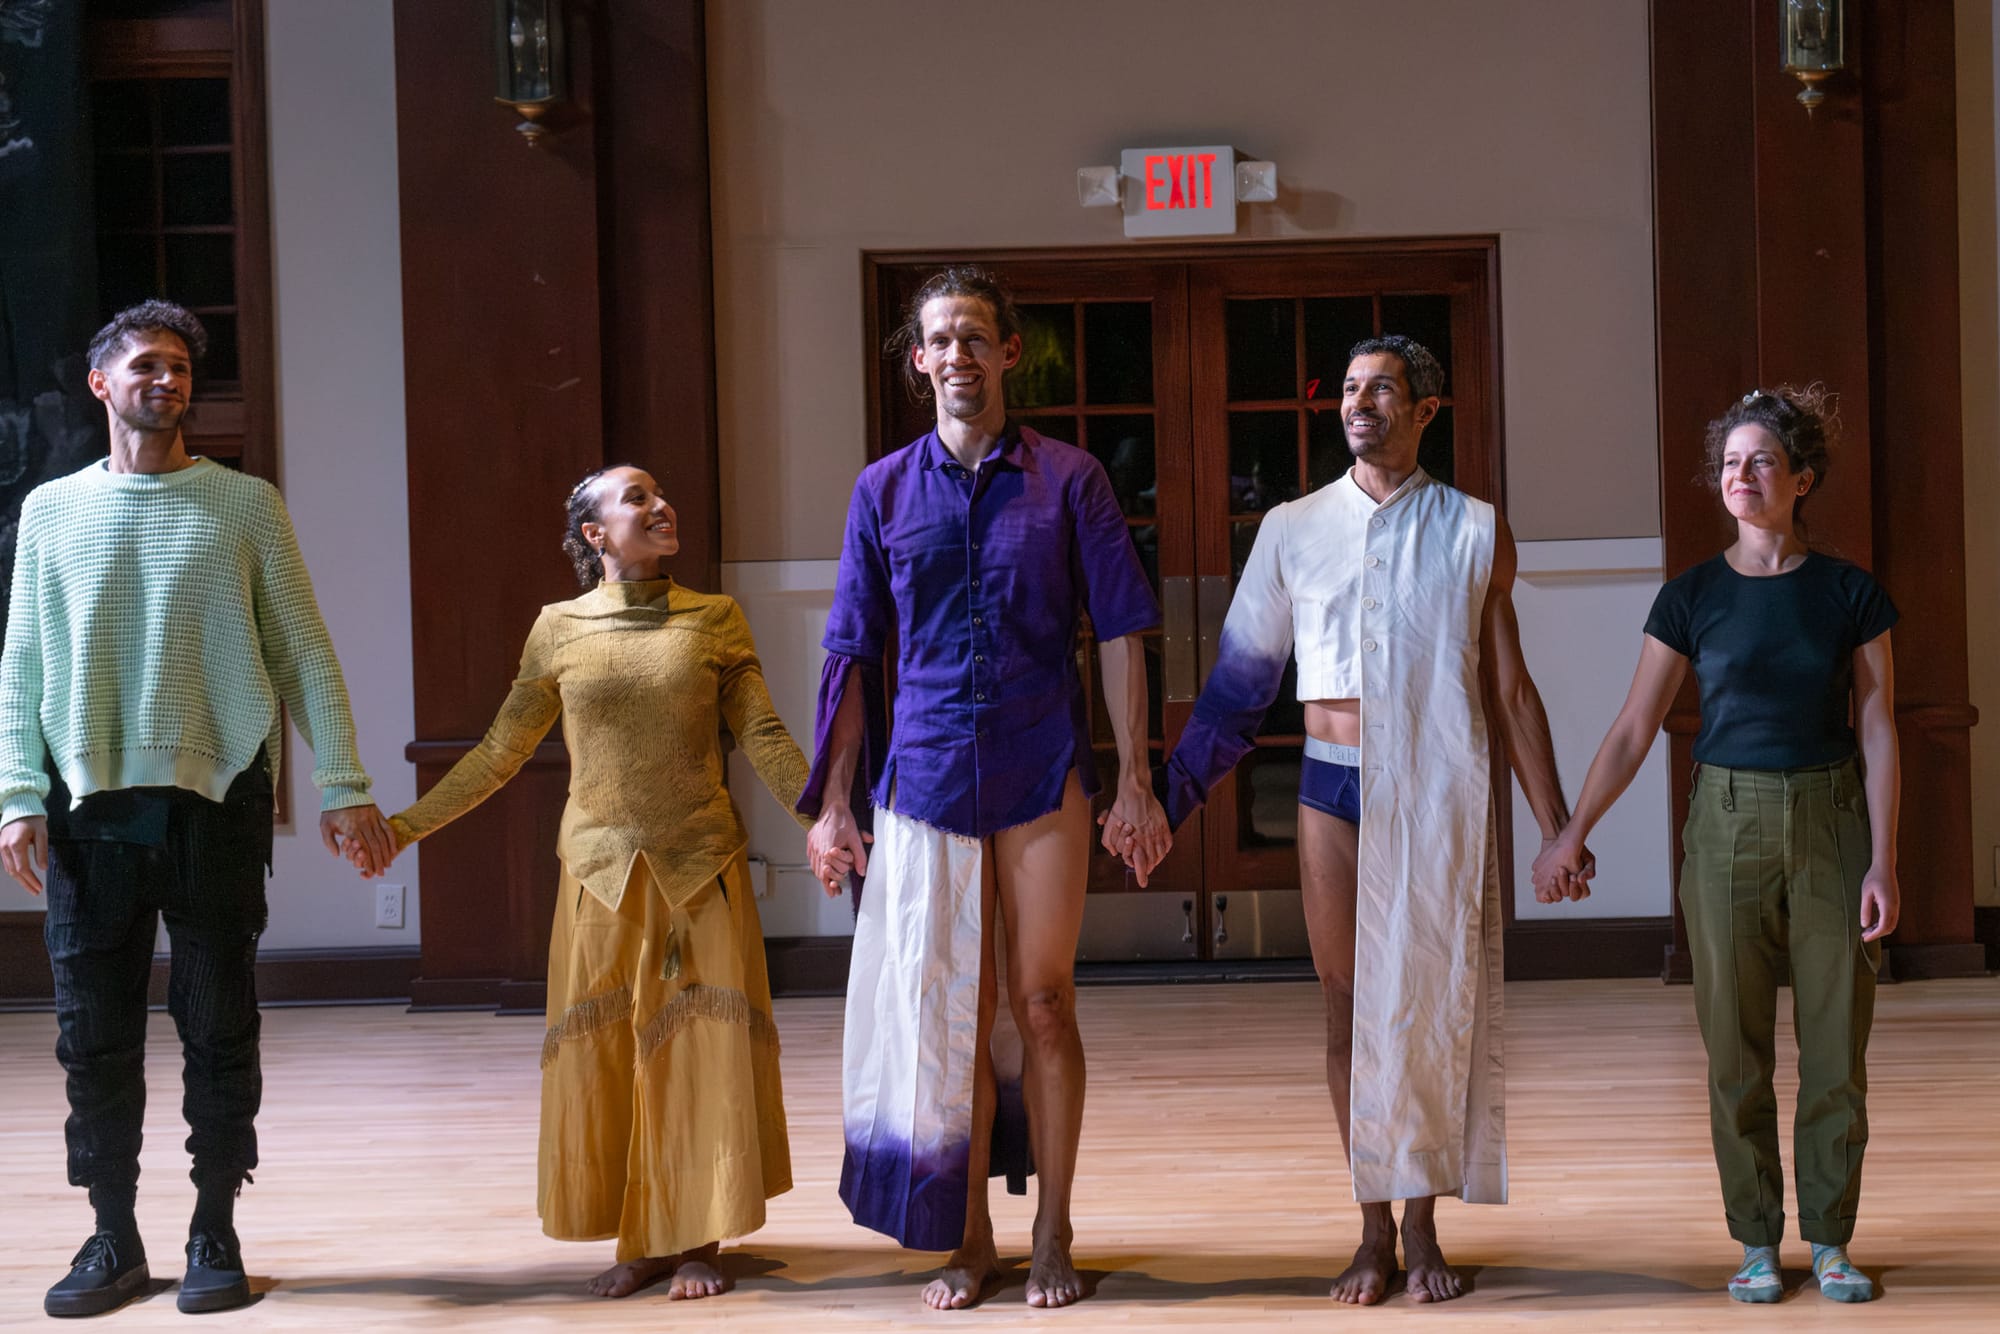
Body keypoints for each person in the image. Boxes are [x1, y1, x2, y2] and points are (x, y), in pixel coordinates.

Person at [1146, 335, 1586, 1305]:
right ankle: (1369, 1228)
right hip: (1330, 787)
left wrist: (1556, 824)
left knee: (1424, 1007)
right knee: (1344, 1004)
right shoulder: (1294, 526)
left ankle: (1422, 1219)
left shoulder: (1472, 527)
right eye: (1348, 389)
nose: (1358, 403)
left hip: (1434, 784)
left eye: (1380, 389)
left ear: (1426, 409)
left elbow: (1508, 689)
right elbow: (1238, 688)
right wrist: (1165, 805)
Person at [0, 301, 395, 1317]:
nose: (163, 379)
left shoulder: (246, 504)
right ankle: (112, 1236)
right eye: (144, 364)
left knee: (219, 1022)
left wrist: (345, 783)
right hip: (92, 809)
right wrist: (16, 793)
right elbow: (22, 665)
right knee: (94, 1034)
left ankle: (214, 1223)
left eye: (178, 365)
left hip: (217, 799)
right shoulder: (50, 511)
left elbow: (303, 649)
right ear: (102, 384)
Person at [803, 265, 1166, 1310]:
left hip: (1040, 760)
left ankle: (1054, 1228)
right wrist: (834, 802)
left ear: (1007, 353)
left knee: (1041, 1001)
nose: (956, 353)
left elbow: (1122, 630)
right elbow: (850, 654)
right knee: (949, 1014)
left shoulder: (1072, 479)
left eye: (974, 336)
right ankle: (970, 1237)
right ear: (916, 362)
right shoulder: (879, 490)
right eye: (937, 339)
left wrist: (1134, 776)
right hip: (919, 772)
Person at [368, 464, 814, 1301]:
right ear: (595, 535)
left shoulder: (715, 618)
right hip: (599, 875)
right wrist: (405, 829)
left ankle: (696, 1239)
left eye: (660, 492)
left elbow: (764, 736)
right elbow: (502, 752)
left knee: (699, 1055)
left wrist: (825, 822)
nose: (660, 504)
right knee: (611, 1057)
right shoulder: (557, 627)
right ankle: (639, 1238)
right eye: (636, 498)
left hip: (700, 868)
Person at [1535, 385, 1896, 1304]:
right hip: (1725, 824)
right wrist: (1572, 832)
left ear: (1800, 478)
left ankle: (1830, 1241)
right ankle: (1755, 1243)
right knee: (1733, 1050)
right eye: (1730, 463)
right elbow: (1631, 728)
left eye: (1761, 461)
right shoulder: (1691, 595)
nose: (1740, 475)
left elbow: (1881, 726)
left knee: (1833, 1048)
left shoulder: (1851, 591)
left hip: (1830, 819)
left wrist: (1884, 860)